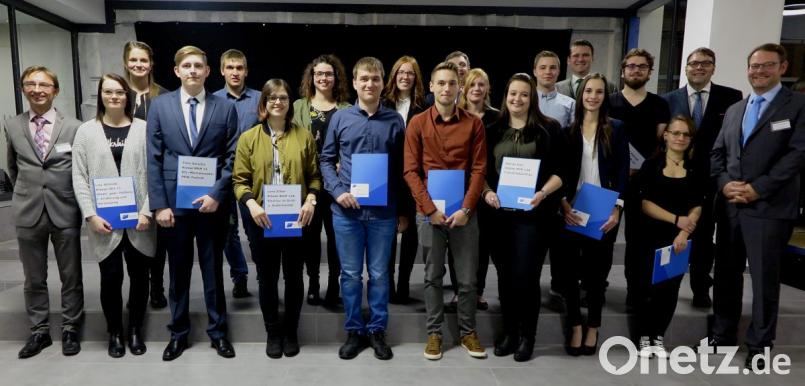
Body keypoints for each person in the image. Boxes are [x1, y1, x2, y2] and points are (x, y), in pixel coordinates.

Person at [709, 43, 805, 370]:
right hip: (731, 205)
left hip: (769, 208)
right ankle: (721, 336)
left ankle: (760, 345)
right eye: (754, 66)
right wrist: (725, 185)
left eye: (766, 66)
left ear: (782, 67)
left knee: (764, 280)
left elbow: (796, 155)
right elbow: (717, 154)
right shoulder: (736, 108)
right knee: (725, 275)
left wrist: (756, 188)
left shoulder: (798, 106)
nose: (759, 72)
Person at [146, 45, 238, 361]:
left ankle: (218, 333)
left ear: (208, 71)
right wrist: (159, 205)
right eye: (187, 66)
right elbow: (154, 158)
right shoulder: (160, 106)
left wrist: (216, 194)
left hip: (211, 205)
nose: (193, 71)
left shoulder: (225, 108)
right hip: (175, 206)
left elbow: (232, 156)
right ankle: (178, 334)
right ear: (176, 71)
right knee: (179, 272)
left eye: (199, 65)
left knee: (213, 271)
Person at [320, 57, 407, 361]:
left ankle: (377, 330)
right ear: (354, 82)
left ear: (384, 83)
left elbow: (401, 170)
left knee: (381, 274)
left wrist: (403, 210)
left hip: (383, 213)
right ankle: (355, 329)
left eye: (375, 78)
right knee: (351, 274)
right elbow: (325, 160)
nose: (370, 84)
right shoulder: (340, 118)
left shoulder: (395, 121)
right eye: (364, 79)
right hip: (347, 213)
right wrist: (338, 192)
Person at [404, 61, 488, 360]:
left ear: (459, 87)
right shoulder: (417, 123)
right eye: (441, 83)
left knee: (466, 279)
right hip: (429, 213)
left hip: (464, 212)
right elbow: (410, 171)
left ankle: (468, 332)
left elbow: (479, 169)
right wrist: (429, 209)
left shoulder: (473, 123)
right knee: (432, 275)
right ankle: (435, 333)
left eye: (452, 83)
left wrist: (466, 208)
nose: (446, 88)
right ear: (431, 86)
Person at [233, 78, 321, 359]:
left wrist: (310, 199)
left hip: (296, 217)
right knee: (267, 278)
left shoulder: (304, 136)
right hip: (263, 219)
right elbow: (239, 181)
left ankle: (291, 331)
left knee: (294, 277)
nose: (278, 102)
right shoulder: (248, 138)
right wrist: (251, 205)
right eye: (272, 98)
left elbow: (315, 177)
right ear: (264, 103)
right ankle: (273, 331)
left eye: (283, 97)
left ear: (289, 102)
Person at [72, 73, 156, 358]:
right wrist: (90, 215)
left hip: (140, 221)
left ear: (127, 96)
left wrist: (147, 211)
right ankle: (115, 332)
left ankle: (134, 330)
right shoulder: (86, 132)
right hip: (103, 222)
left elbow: (154, 173)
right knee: (110, 278)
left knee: (139, 277)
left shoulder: (143, 129)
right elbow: (79, 178)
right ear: (101, 95)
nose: (115, 97)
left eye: (120, 92)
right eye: (108, 92)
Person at [482, 73, 563, 362]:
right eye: (512, 94)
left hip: (533, 216)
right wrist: (487, 192)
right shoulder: (491, 128)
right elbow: (480, 171)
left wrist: (541, 193)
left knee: (526, 278)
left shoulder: (548, 129)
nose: (517, 99)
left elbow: (560, 173)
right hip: (499, 216)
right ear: (505, 97)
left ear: (533, 98)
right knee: (505, 277)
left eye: (524, 94)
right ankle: (510, 334)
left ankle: (528, 336)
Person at [5, 65, 84, 358]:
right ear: (23, 88)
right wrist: (28, 191)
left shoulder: (74, 126)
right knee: (34, 277)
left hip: (65, 209)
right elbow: (13, 167)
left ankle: (70, 329)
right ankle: (39, 332)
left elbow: (80, 169)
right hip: (28, 211)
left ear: (56, 90)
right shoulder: (12, 125)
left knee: (71, 275)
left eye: (44, 84)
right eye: (30, 84)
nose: (37, 89)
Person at [662, 48, 742, 308]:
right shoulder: (669, 99)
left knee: (704, 235)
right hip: (675, 178)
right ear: (685, 68)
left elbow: (733, 141)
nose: (698, 68)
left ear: (713, 67)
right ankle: (665, 285)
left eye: (705, 63)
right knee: (670, 232)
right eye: (693, 63)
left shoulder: (731, 98)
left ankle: (700, 286)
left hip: (710, 179)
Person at [557, 73, 628, 357]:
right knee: (569, 273)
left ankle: (593, 326)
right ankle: (575, 324)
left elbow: (623, 171)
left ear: (605, 96)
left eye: (599, 92)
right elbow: (560, 172)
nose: (593, 96)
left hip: (604, 206)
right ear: (580, 95)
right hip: (573, 206)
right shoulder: (568, 130)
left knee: (597, 275)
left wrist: (617, 208)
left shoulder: (618, 128)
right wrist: (562, 203)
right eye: (588, 91)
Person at [635, 115, 703, 359]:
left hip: (679, 240)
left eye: (686, 134)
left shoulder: (695, 168)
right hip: (651, 236)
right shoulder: (651, 166)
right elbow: (645, 204)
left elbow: (697, 204)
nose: (680, 138)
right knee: (648, 290)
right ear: (665, 135)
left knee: (670, 291)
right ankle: (644, 337)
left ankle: (658, 337)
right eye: (676, 133)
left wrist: (684, 231)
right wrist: (676, 220)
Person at [608, 48, 671, 311]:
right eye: (631, 66)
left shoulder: (659, 104)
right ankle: (593, 287)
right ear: (623, 70)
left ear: (649, 71)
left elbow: (661, 143)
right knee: (602, 236)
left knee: (638, 240)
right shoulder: (609, 102)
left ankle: (635, 292)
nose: (636, 70)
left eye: (642, 67)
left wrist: (641, 168)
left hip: (643, 182)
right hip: (609, 181)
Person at [292, 54, 352, 306]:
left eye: (328, 73)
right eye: (319, 74)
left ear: (335, 77)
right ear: (312, 77)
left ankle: (333, 285)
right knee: (310, 237)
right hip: (309, 186)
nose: (324, 78)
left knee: (337, 237)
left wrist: (341, 162)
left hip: (338, 184)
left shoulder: (348, 109)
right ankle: (314, 283)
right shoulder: (298, 107)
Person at [122, 41, 169, 309]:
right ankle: (138, 285)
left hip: (158, 173)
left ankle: (157, 287)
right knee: (133, 236)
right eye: (134, 60)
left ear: (151, 64)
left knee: (158, 237)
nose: (139, 65)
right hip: (127, 176)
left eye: (144, 60)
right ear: (127, 62)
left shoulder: (163, 96)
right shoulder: (118, 93)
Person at [213, 48, 261, 299]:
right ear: (222, 70)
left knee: (255, 229)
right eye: (230, 67)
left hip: (253, 178)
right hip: (224, 177)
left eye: (239, 68)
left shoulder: (260, 99)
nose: (235, 72)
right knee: (229, 231)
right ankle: (239, 276)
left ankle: (263, 273)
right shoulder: (213, 100)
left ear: (246, 71)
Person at [533, 50, 577, 310]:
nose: (548, 72)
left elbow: (570, 149)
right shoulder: (525, 99)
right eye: (543, 67)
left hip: (557, 179)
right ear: (535, 70)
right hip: (527, 177)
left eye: (553, 67)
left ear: (559, 72)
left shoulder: (568, 104)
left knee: (560, 242)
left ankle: (558, 288)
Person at [382, 55, 426, 304]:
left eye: (410, 73)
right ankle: (387, 284)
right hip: (387, 176)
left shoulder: (424, 104)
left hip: (414, 175)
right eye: (401, 72)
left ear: (415, 77)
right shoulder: (383, 103)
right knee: (388, 231)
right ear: (394, 75)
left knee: (411, 234)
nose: (405, 77)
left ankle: (404, 284)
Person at [457, 67, 499, 310]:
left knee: (482, 242)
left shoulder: (498, 117)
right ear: (464, 87)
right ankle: (459, 290)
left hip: (489, 187)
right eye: (472, 84)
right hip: (459, 186)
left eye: (481, 84)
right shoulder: (456, 115)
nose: (476, 89)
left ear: (487, 88)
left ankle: (478, 290)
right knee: (458, 241)